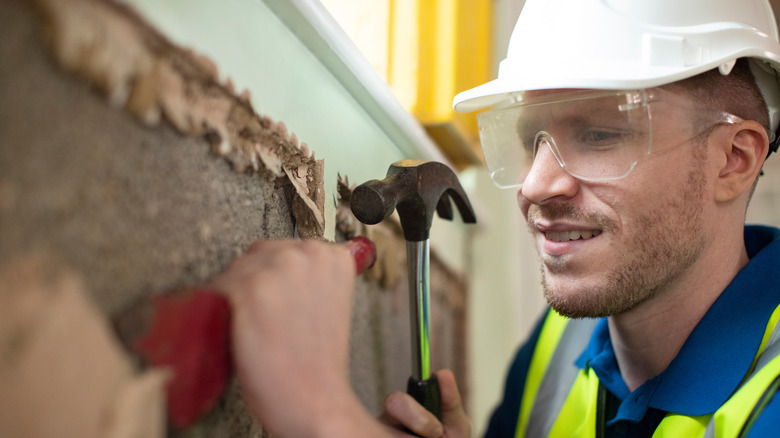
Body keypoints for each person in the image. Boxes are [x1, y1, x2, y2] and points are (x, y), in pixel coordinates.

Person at [215, 0, 780, 436]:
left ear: (733, 159)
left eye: (600, 134)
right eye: (529, 139)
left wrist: (323, 415)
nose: (535, 185)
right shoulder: (564, 344)